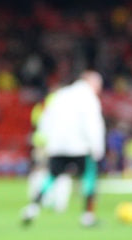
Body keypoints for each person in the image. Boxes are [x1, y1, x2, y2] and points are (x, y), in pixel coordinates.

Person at [20, 70, 105, 227]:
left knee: (52, 176)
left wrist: (48, 141)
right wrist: (97, 147)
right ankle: (88, 216)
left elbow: (46, 119)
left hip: (57, 145)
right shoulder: (89, 98)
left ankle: (32, 208)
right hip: (81, 146)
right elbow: (92, 124)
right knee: (88, 178)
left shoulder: (61, 95)